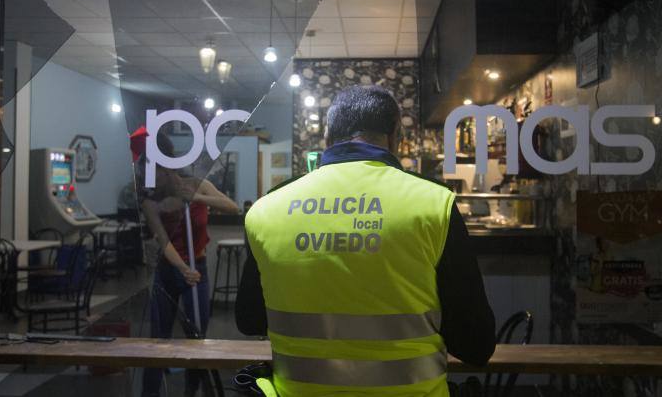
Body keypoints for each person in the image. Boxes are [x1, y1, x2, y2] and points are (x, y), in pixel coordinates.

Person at [236, 86, 495, 396]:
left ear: (328, 136)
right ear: (396, 135)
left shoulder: (267, 210)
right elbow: (476, 345)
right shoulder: (434, 205)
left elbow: (249, 320)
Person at [141, 134, 239, 397]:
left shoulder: (197, 184)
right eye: (151, 171)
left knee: (196, 338)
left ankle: (191, 392)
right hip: (169, 272)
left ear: (169, 168)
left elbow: (232, 206)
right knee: (157, 341)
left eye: (159, 170)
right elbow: (164, 243)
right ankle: (149, 393)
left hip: (199, 269)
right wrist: (184, 269)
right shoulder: (151, 202)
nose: (156, 177)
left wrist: (198, 198)